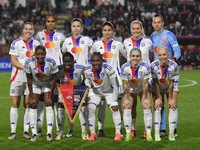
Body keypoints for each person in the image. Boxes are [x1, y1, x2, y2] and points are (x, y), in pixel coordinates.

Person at [91, 21, 126, 137]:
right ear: (102, 31)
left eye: (109, 30)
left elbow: (127, 56)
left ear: (112, 31)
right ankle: (100, 129)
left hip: (115, 78)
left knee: (117, 103)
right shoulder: (96, 44)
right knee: (101, 103)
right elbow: (90, 58)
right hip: (101, 79)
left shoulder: (118, 44)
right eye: (105, 30)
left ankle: (119, 129)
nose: (107, 32)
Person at [34, 14, 65, 137]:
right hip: (44, 71)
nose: (51, 23)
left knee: (57, 101)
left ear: (55, 23)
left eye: (53, 21)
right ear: (45, 22)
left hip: (57, 71)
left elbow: (64, 51)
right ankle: (40, 129)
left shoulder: (61, 36)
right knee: (43, 100)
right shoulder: (39, 35)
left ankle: (58, 129)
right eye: (48, 21)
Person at [8, 22, 40, 140]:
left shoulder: (37, 44)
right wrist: (25, 68)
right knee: (15, 104)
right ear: (23, 30)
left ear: (33, 30)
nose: (28, 31)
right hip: (17, 77)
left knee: (27, 104)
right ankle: (13, 131)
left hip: (31, 79)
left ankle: (26, 131)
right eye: (26, 29)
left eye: (30, 29)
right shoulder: (16, 43)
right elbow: (13, 61)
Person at [62, 18, 93, 137]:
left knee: (83, 106)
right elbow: (64, 54)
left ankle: (84, 131)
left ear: (81, 28)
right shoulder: (67, 41)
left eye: (78, 26)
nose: (76, 28)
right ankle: (71, 130)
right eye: (74, 26)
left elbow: (93, 52)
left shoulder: (87, 40)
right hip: (70, 75)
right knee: (69, 104)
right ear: (71, 28)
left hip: (84, 75)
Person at [151, 14, 181, 137]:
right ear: (152, 24)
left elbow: (178, 51)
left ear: (163, 23)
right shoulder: (152, 36)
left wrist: (172, 61)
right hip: (156, 73)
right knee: (159, 101)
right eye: (154, 22)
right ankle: (162, 129)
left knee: (172, 101)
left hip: (169, 72)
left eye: (159, 22)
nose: (157, 24)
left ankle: (173, 129)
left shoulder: (169, 35)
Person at [123, 20, 153, 138]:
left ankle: (148, 130)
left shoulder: (148, 42)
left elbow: (154, 54)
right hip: (130, 78)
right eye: (133, 29)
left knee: (146, 104)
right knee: (131, 105)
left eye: (138, 28)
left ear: (141, 29)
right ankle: (132, 129)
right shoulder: (126, 41)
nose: (136, 31)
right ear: (131, 30)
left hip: (145, 77)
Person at [84, 52, 122, 141]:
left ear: (102, 61)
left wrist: (115, 100)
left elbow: (115, 85)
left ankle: (118, 133)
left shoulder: (109, 69)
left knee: (115, 108)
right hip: (95, 92)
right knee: (90, 108)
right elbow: (86, 79)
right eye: (93, 61)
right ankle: (93, 133)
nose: (96, 63)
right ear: (91, 62)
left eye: (98, 60)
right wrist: (87, 85)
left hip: (109, 91)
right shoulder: (87, 70)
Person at [24, 45, 58, 141]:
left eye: (42, 54)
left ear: (45, 54)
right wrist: (31, 95)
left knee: (48, 103)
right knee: (33, 104)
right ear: (35, 54)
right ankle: (34, 133)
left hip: (47, 84)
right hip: (35, 84)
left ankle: (49, 133)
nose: (40, 56)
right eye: (38, 54)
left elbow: (54, 77)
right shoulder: (29, 62)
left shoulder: (51, 62)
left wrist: (51, 94)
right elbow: (29, 79)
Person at [120, 47, 153, 141]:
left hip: (142, 89)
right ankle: (129, 132)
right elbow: (126, 84)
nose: (135, 58)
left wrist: (146, 96)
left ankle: (148, 132)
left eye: (137, 56)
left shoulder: (146, 67)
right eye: (133, 56)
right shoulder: (124, 67)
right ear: (130, 57)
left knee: (146, 106)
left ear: (141, 57)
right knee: (127, 106)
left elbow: (145, 83)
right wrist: (126, 97)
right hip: (130, 90)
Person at [55, 52, 88, 140]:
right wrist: (57, 84)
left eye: (69, 61)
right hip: (65, 91)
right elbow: (56, 80)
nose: (67, 64)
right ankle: (61, 132)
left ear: (74, 61)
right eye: (65, 62)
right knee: (61, 107)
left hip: (77, 91)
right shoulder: (59, 69)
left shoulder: (80, 68)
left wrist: (84, 90)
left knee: (81, 108)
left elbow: (86, 79)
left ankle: (84, 132)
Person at [151, 46, 178, 141]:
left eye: (164, 55)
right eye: (160, 55)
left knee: (173, 105)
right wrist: (158, 97)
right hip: (158, 85)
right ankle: (157, 133)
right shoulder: (153, 66)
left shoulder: (174, 66)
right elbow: (155, 82)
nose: (162, 57)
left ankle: (172, 132)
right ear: (157, 55)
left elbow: (172, 83)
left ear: (168, 55)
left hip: (170, 86)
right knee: (157, 106)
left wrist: (171, 97)